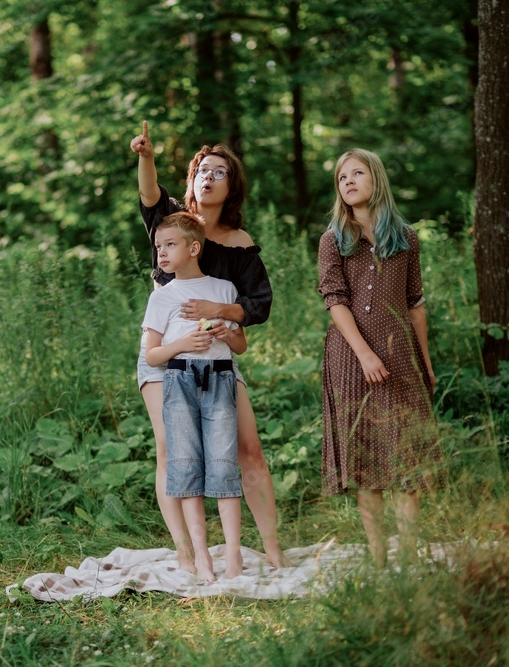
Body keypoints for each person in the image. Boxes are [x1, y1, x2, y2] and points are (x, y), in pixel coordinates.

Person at [130, 120, 291, 570]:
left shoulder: (239, 244)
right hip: (164, 356)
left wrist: (220, 311)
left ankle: (273, 549)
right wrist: (146, 157)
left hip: (217, 358)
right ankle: (187, 553)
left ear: (231, 186)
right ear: (193, 179)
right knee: (171, 450)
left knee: (249, 449)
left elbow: (258, 305)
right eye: (203, 170)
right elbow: (148, 193)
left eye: (220, 172)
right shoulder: (174, 224)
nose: (209, 177)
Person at [316, 148, 444, 568]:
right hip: (350, 357)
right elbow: (335, 301)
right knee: (364, 457)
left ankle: (408, 556)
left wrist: (425, 363)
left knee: (407, 457)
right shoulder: (333, 240)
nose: (348, 181)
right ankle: (377, 558)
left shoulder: (406, 238)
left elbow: (415, 305)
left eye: (357, 173)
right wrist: (365, 355)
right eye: (342, 177)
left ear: (376, 179)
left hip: (400, 354)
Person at [142, 212, 247, 582]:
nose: (161, 253)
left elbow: (241, 345)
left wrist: (226, 332)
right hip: (179, 381)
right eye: (158, 246)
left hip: (220, 380)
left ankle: (233, 554)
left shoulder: (224, 290)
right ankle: (201, 557)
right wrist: (184, 343)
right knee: (185, 465)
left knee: (223, 464)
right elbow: (152, 355)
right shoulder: (162, 297)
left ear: (194, 248)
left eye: (170, 245)